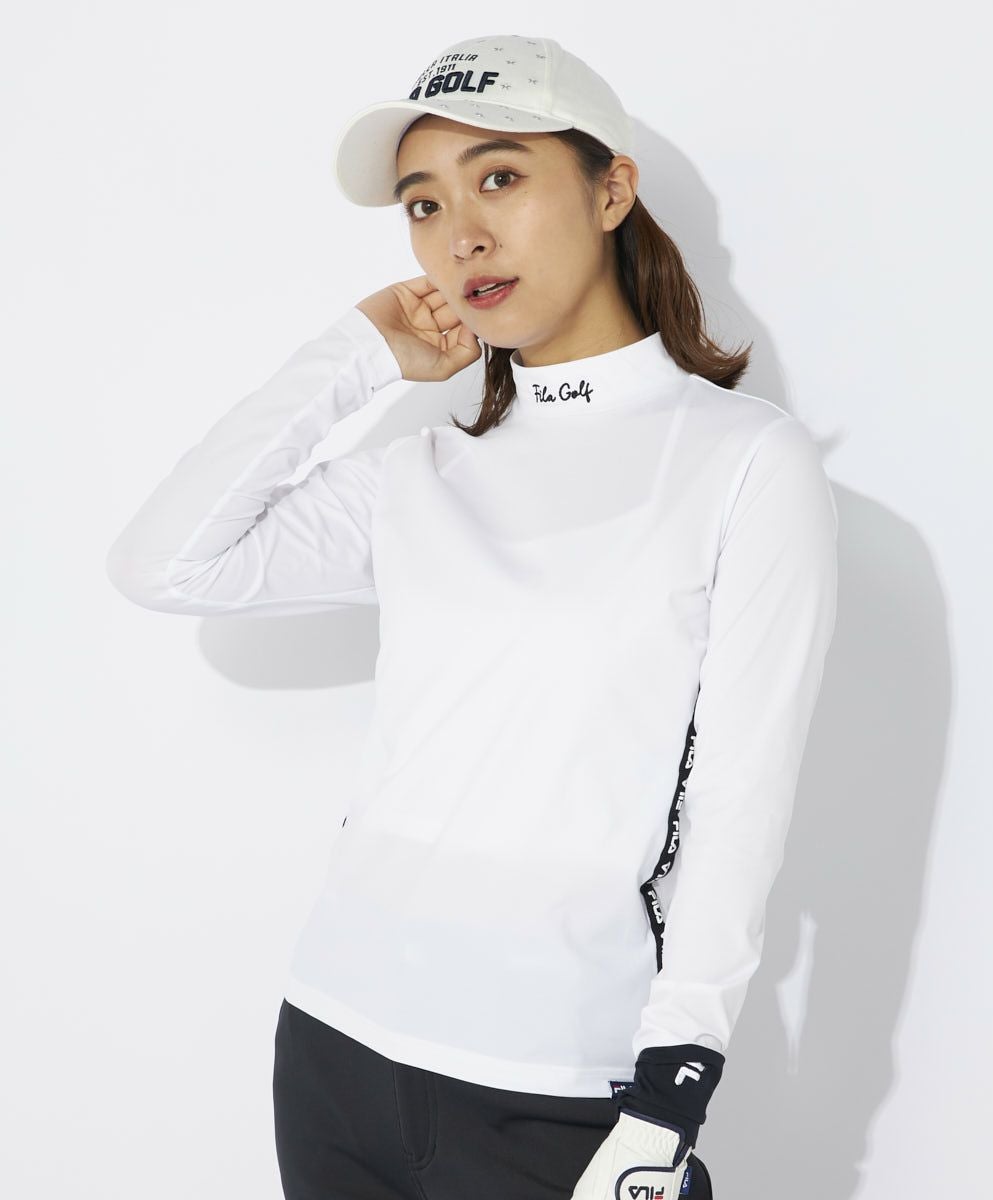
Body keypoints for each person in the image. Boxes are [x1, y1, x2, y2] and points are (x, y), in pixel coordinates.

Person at [105, 32, 839, 1200]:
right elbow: (164, 563)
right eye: (423, 204)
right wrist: (357, 355)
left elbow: (739, 802)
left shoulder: (743, 462)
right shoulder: (422, 474)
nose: (461, 235)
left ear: (610, 189)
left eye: (500, 177)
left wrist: (672, 1093)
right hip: (333, 1044)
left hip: (560, 1089)